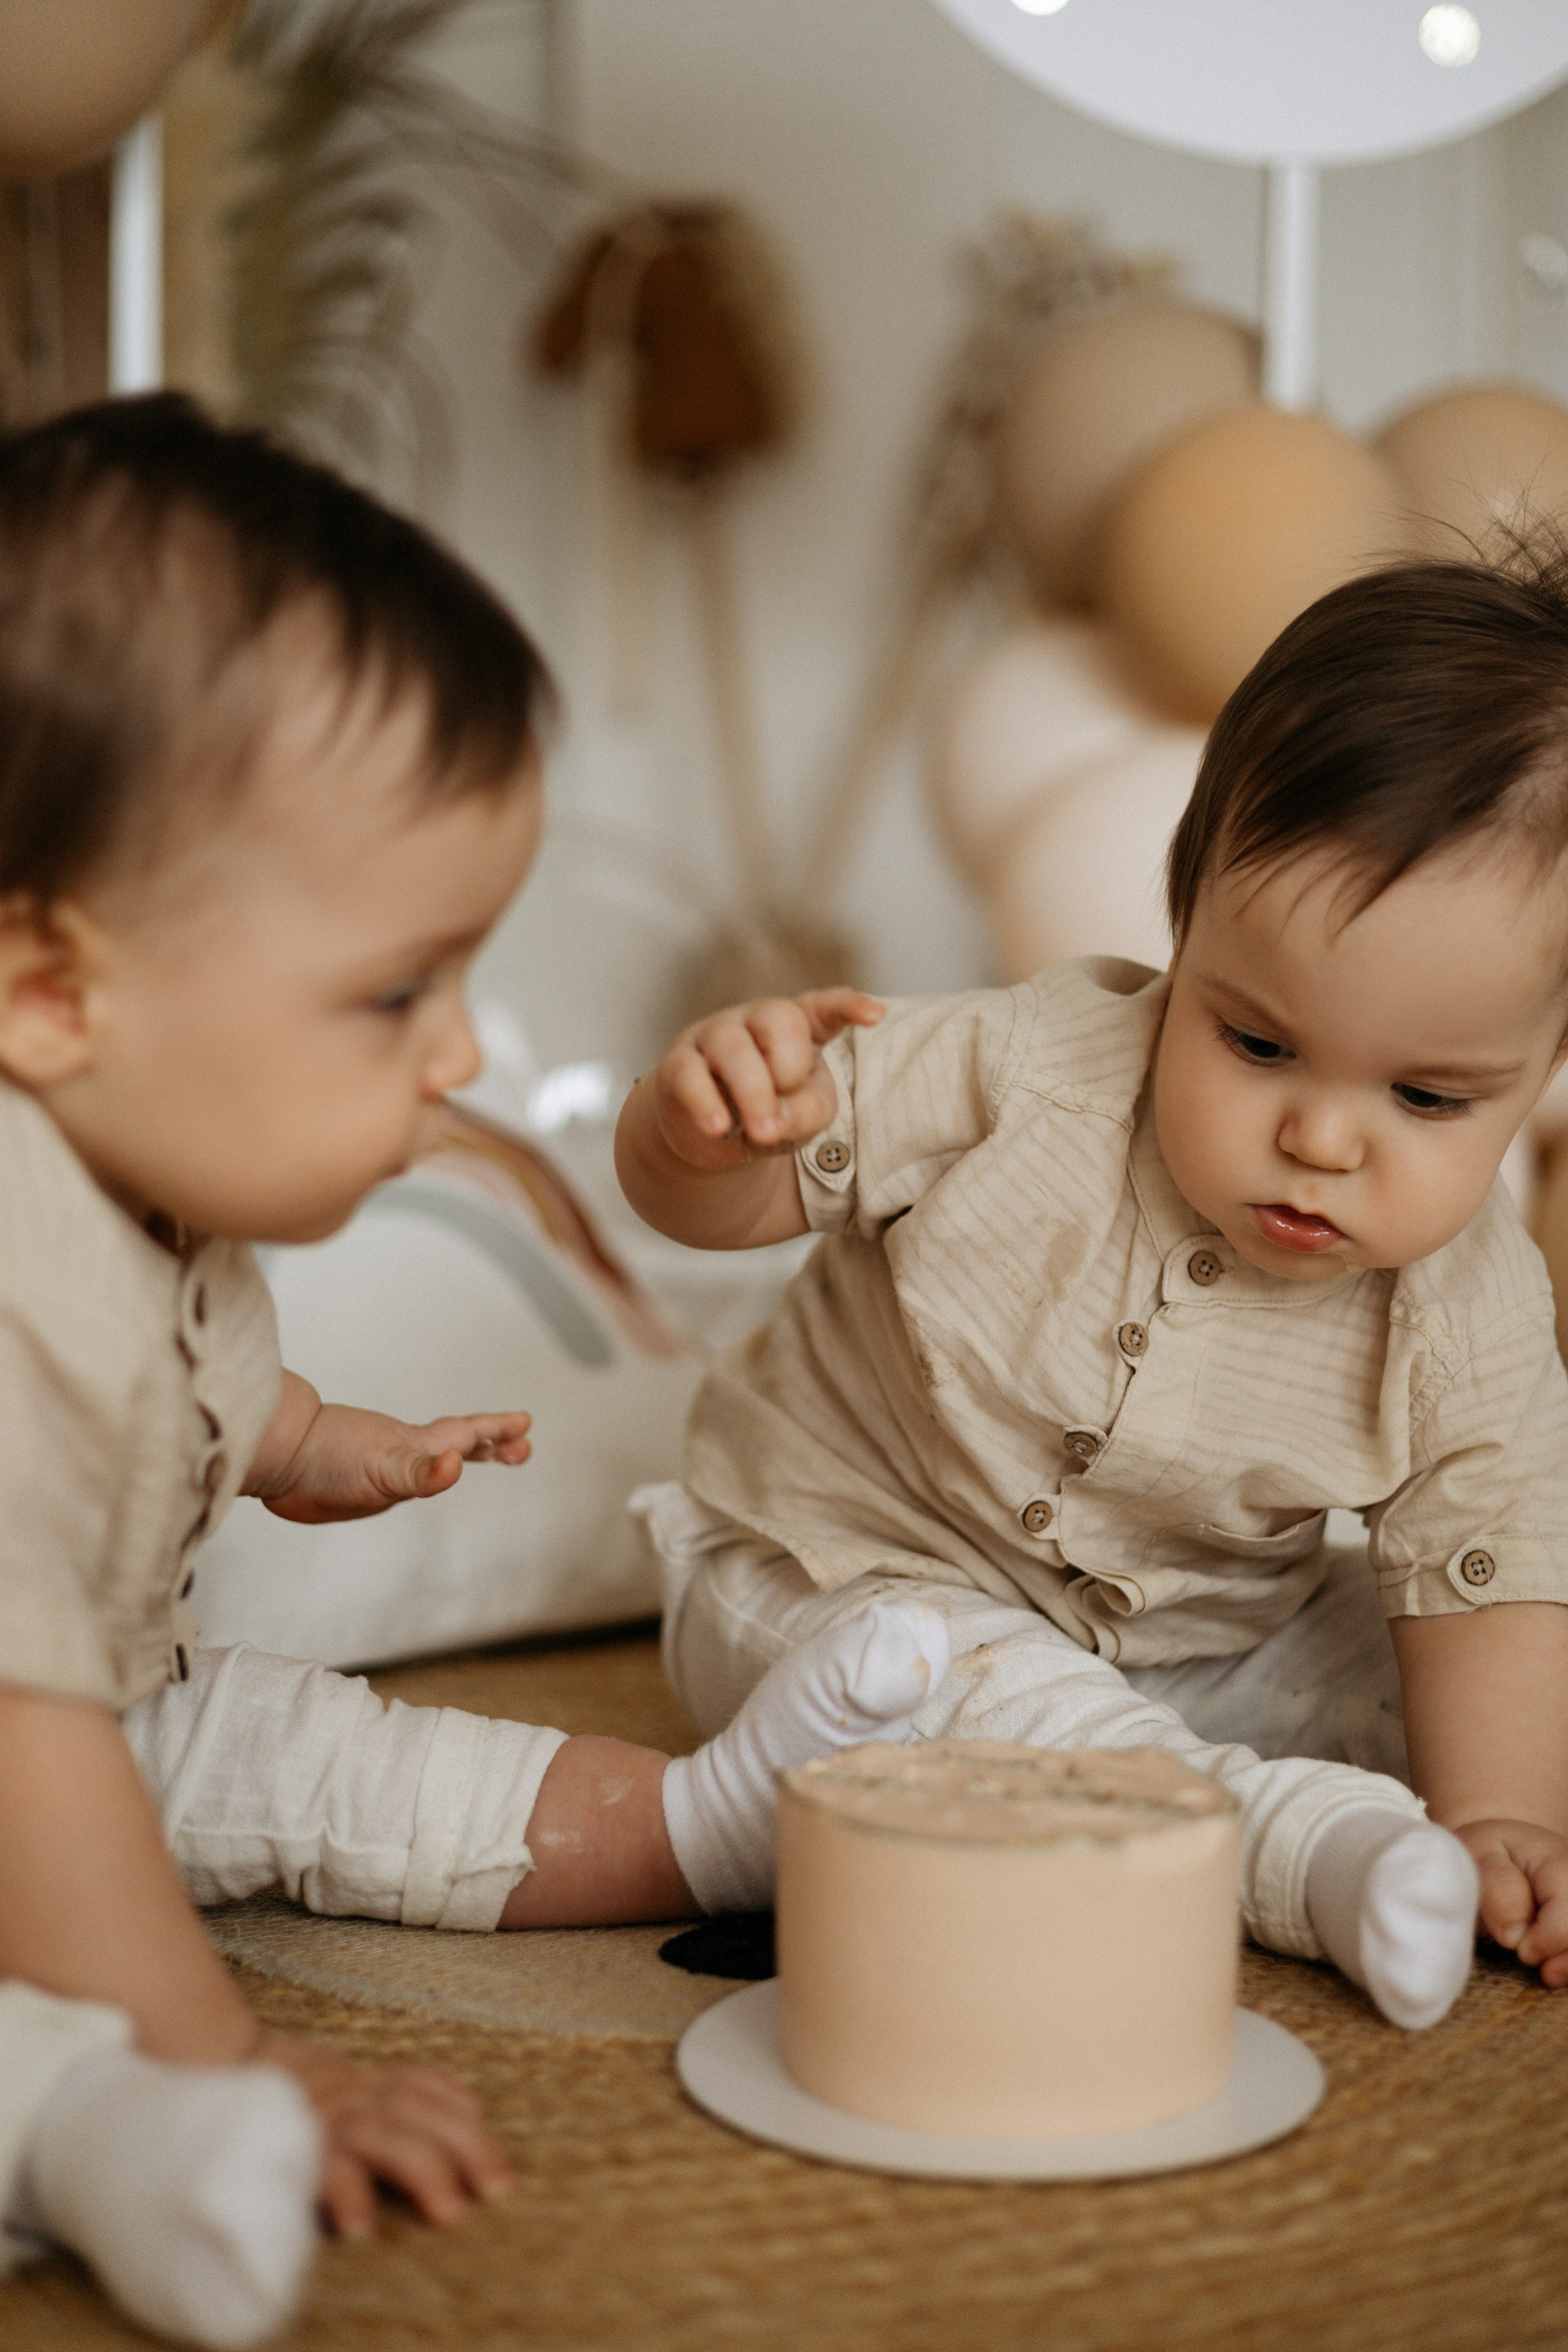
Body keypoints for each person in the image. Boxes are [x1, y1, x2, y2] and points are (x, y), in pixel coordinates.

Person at [0, 394, 951, 2351]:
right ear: (48, 989)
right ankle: (109, 2129)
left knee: (315, 1749)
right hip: (37, 1738)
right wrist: (221, 2047)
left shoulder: (149, 1187)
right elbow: (31, 1757)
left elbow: (181, 1391)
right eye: (394, 994)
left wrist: (312, 1442)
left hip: (107, 1706)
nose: (457, 1057)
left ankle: (698, 1823)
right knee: (79, 1909)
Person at [620, 545, 1568, 2048]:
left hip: (1197, 1653)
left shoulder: (1468, 1310)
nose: (1321, 1140)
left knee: (1486, 1674)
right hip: (831, 1582)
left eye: (1426, 1097)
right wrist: (696, 1132)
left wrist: (1504, 1812)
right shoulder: (1020, 1069)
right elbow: (717, 1202)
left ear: (1538, 1070)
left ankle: (1392, 1832)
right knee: (936, 1688)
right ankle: (1289, 1855)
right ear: (1183, 929)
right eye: (1255, 1045)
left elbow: (1480, 1576)